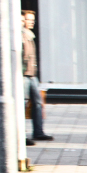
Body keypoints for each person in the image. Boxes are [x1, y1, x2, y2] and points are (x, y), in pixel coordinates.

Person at [21, 11, 52, 142]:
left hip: (32, 75)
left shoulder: (29, 35)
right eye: (28, 19)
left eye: (32, 19)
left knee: (38, 103)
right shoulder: (20, 36)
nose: (31, 22)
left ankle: (38, 132)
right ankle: (21, 136)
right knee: (22, 104)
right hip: (23, 75)